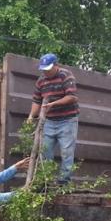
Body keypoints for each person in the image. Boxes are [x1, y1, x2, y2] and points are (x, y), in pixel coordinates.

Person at [26, 53, 79, 185]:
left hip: (67, 120)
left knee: (66, 152)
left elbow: (72, 96)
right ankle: (46, 181)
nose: (46, 72)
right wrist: (31, 116)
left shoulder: (65, 75)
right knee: (45, 151)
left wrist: (53, 104)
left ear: (56, 65)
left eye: (48, 69)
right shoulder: (41, 81)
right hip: (49, 121)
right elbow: (37, 100)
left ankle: (64, 182)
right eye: (43, 69)